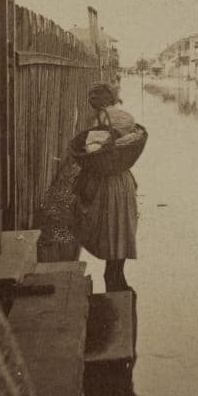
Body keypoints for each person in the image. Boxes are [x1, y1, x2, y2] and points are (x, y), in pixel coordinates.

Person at [73, 82, 140, 292]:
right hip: (122, 177)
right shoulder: (126, 117)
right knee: (123, 224)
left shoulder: (102, 121)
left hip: (108, 180)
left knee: (110, 223)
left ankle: (112, 275)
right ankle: (116, 272)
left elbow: (93, 151)